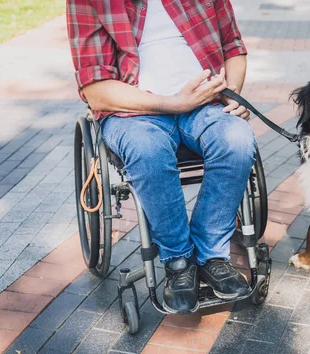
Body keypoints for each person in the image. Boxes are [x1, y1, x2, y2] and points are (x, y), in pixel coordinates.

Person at [67, 0, 255, 313]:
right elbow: (95, 88)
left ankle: (211, 255)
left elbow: (233, 46)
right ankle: (179, 260)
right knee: (147, 151)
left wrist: (232, 91)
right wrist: (174, 103)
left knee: (237, 139)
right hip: (134, 112)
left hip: (206, 103)